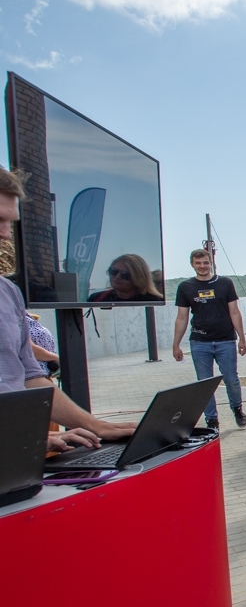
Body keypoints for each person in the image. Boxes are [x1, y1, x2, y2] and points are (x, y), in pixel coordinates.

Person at [0, 167, 136, 451]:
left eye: (9, 224)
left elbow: (29, 376)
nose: (6, 236)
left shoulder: (8, 292)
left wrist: (96, 426)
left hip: (16, 456)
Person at [172, 249, 246, 431]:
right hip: (200, 343)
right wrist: (176, 344)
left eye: (205, 262)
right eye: (198, 263)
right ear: (192, 264)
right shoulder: (185, 287)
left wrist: (242, 338)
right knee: (204, 384)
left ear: (211, 262)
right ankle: (211, 420)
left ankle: (237, 408)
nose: (202, 266)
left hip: (225, 341)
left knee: (231, 379)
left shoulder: (225, 283)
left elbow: (235, 312)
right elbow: (181, 317)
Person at [87, 254, 162, 302]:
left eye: (125, 275)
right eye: (113, 271)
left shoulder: (155, 301)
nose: (117, 277)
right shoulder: (97, 298)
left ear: (138, 278)